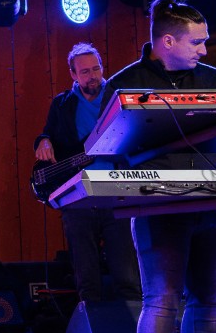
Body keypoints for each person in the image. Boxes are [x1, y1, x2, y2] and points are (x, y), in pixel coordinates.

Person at [102, 0, 216, 333]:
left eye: (205, 41)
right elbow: (107, 149)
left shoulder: (214, 80)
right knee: (163, 298)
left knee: (209, 299)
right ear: (168, 41)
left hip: (212, 204)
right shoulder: (126, 83)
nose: (204, 50)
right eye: (197, 42)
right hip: (157, 207)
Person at [34, 43, 141, 311]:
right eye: (85, 72)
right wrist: (43, 140)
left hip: (118, 193)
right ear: (73, 74)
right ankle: (93, 331)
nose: (92, 76)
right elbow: (48, 133)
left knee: (127, 276)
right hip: (79, 196)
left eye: (96, 69)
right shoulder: (62, 104)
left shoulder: (118, 97)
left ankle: (135, 332)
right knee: (86, 279)